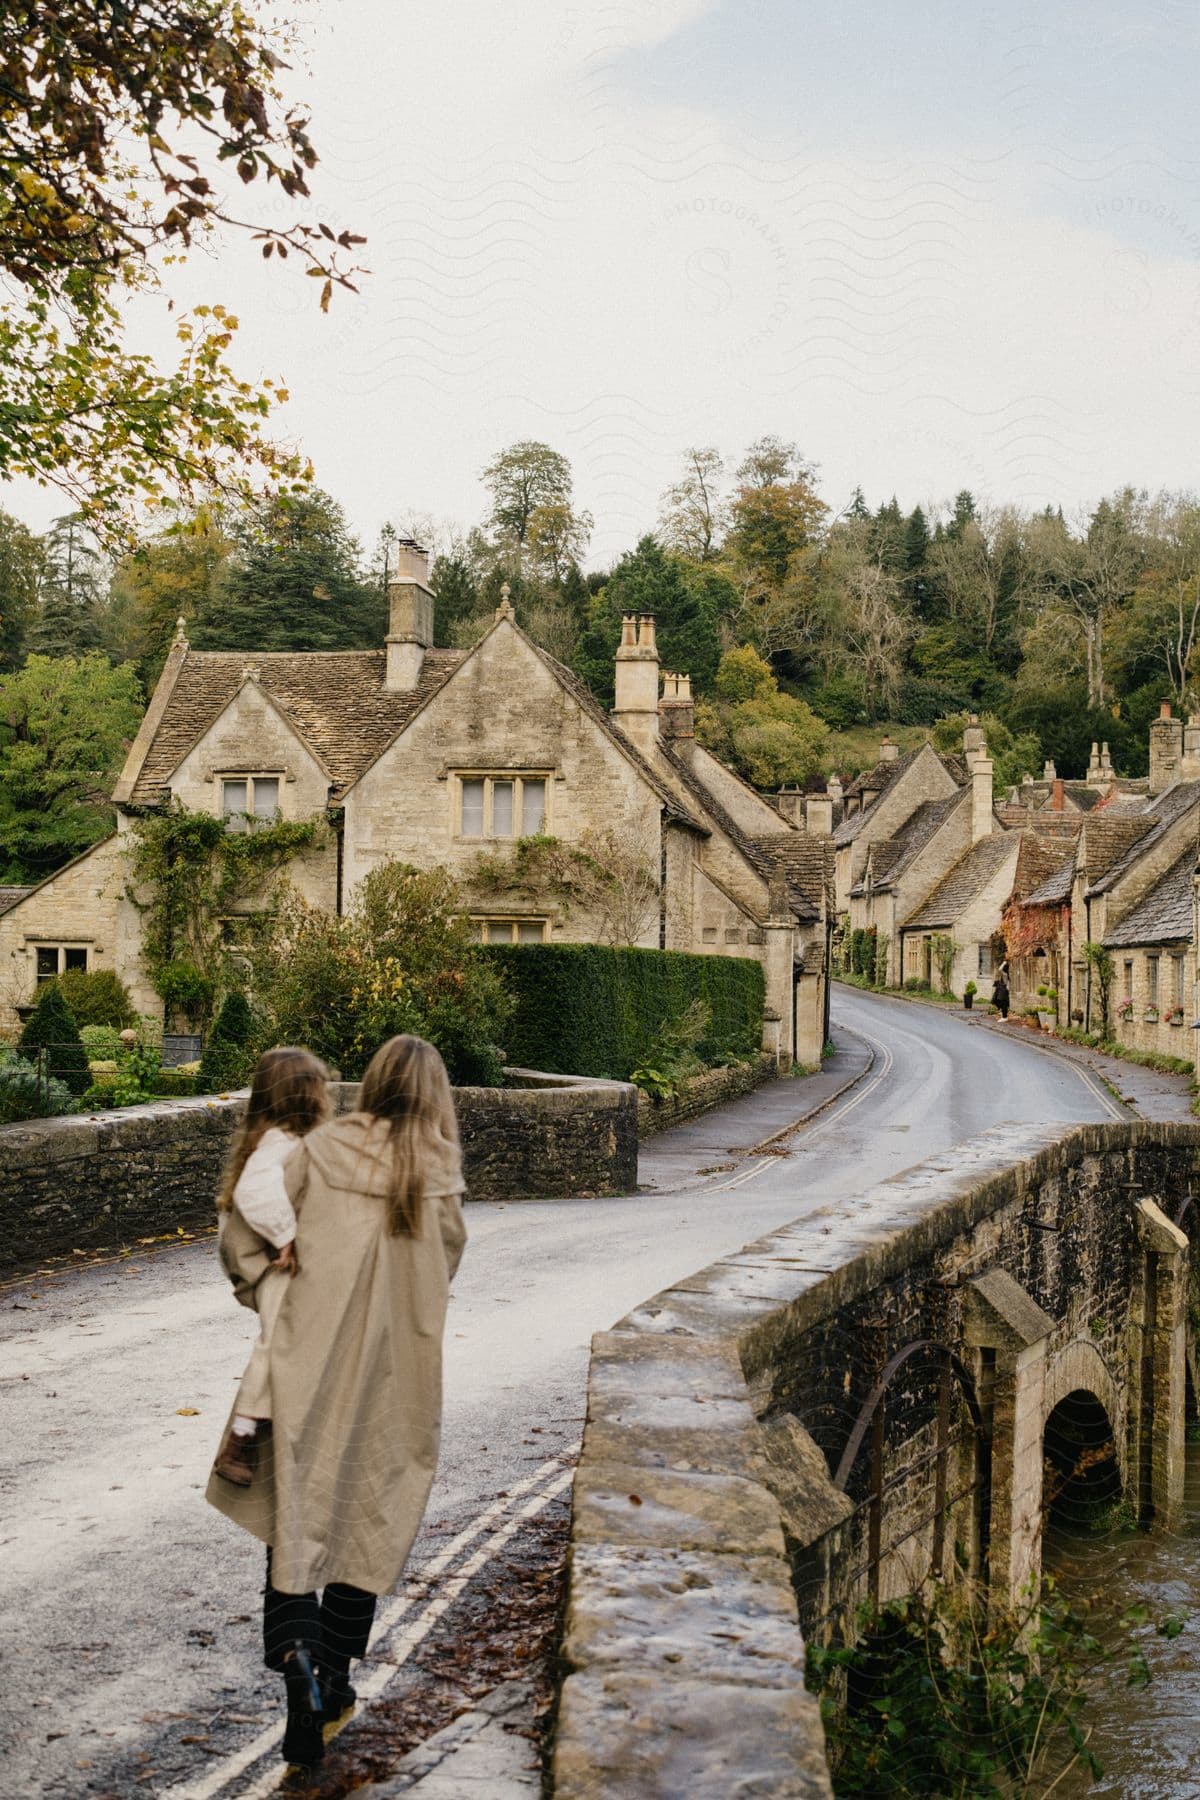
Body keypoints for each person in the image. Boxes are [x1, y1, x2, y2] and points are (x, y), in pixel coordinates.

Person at [207, 1034, 468, 1771]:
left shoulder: (316, 1151)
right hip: (397, 1381)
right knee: (369, 1517)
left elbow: (241, 1233)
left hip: (304, 1370)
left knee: (296, 1521)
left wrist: (272, 1292)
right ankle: (335, 1675)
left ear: (373, 1081)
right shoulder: (439, 1171)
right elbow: (446, 1267)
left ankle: (301, 1681)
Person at [212, 1046, 331, 1487]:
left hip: (268, 1263)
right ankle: (240, 1439)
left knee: (290, 1341)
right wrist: (287, 1236)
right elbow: (256, 1193)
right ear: (301, 1095)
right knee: (278, 1341)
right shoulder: (279, 1142)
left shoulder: (280, 1138)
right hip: (269, 1265)